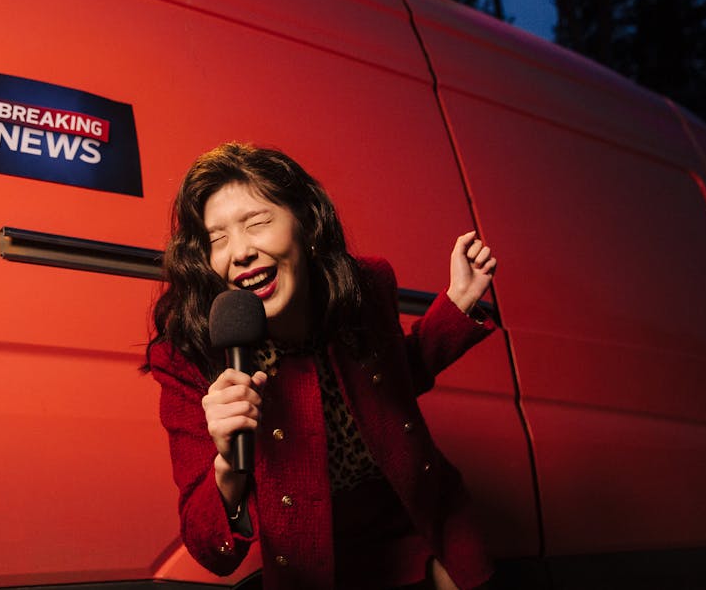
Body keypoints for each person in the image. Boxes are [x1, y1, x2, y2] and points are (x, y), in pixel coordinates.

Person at [144, 143, 499, 589]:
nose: (240, 252)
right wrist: (228, 467)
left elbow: (388, 390)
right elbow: (209, 549)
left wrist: (456, 308)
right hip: (316, 563)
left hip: (419, 525)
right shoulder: (189, 355)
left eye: (257, 223)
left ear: (307, 224)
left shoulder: (366, 286)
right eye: (217, 240)